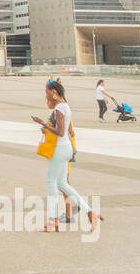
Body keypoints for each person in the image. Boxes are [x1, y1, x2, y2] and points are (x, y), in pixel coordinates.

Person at [32, 81, 102, 231]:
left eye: (47, 92)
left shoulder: (59, 108)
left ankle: (52, 221)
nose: (46, 95)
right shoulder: (66, 105)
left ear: (54, 92)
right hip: (65, 149)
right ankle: (90, 212)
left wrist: (43, 123)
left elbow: (61, 131)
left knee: (51, 183)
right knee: (63, 184)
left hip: (59, 149)